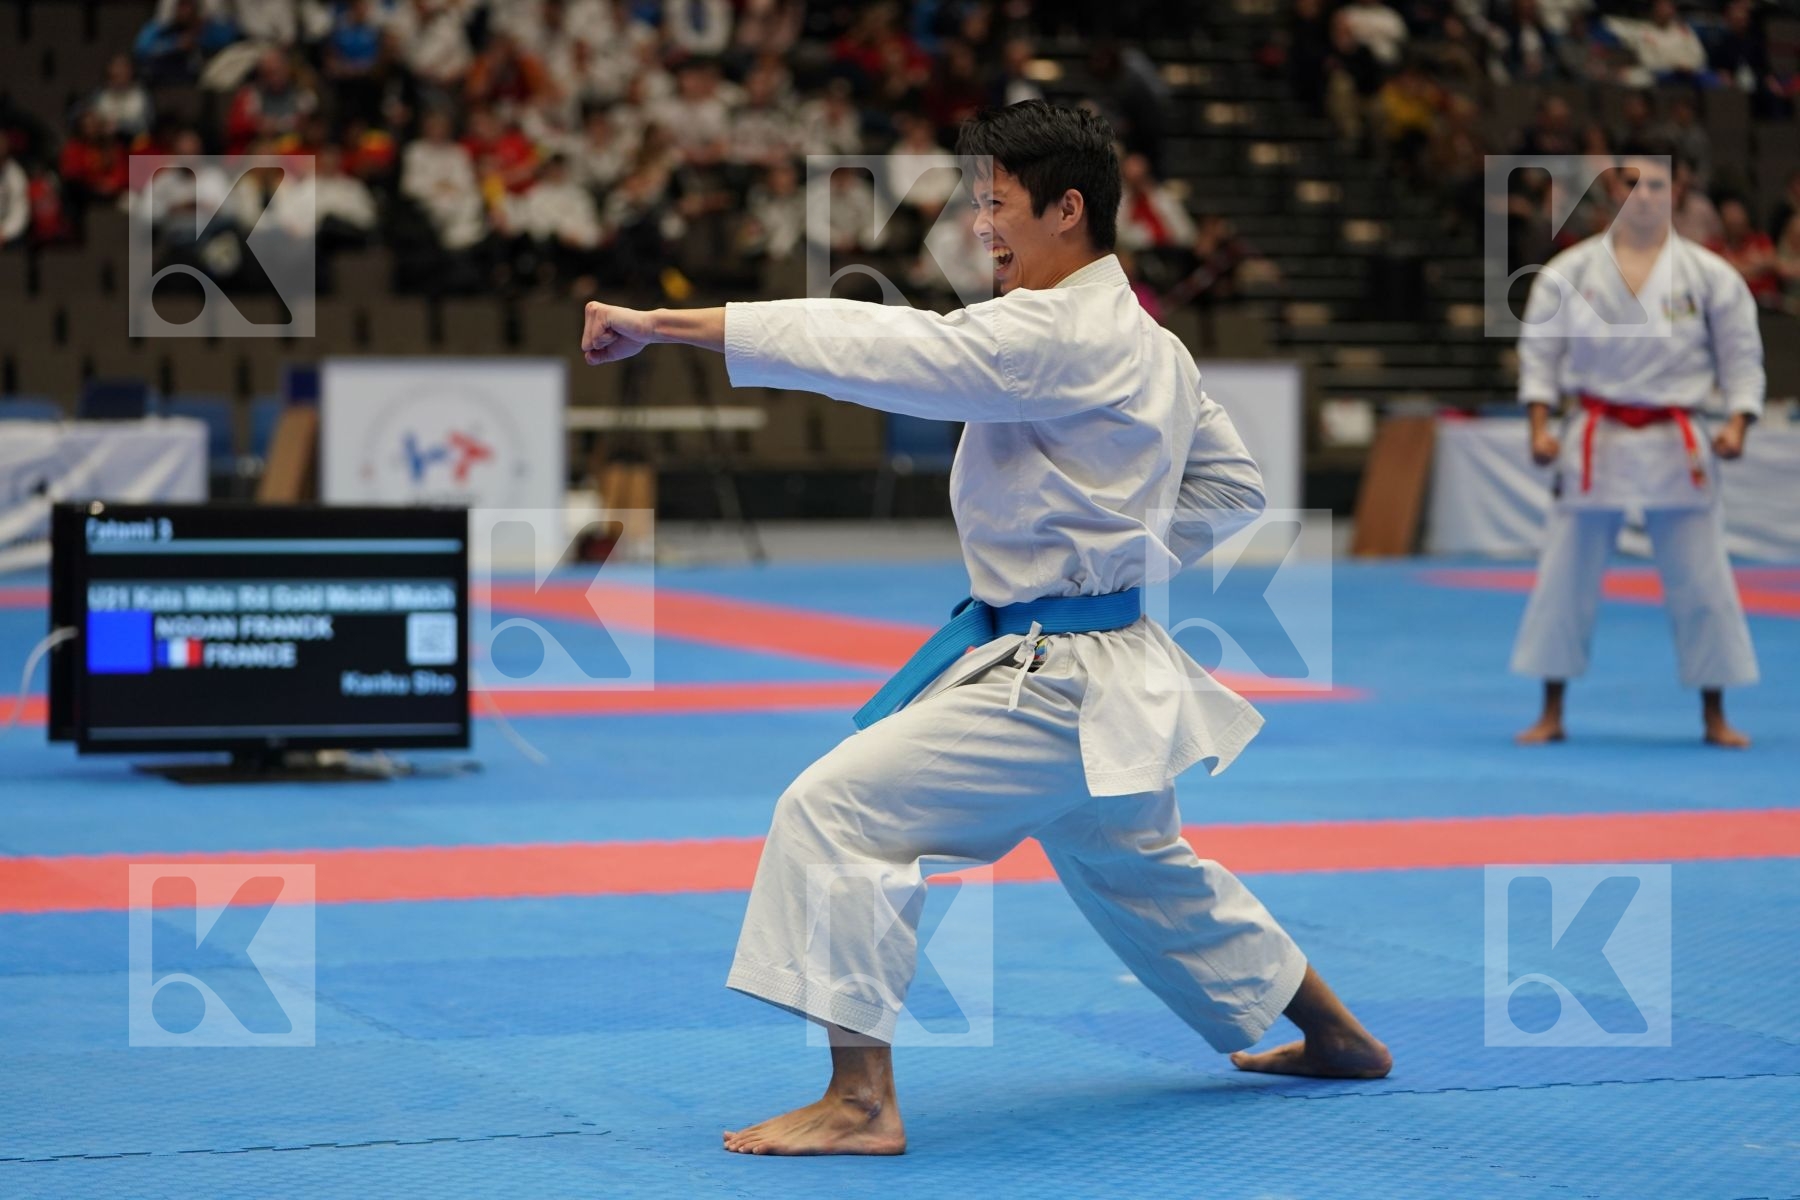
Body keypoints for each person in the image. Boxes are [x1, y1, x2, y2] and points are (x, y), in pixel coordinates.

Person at [578, 100, 1390, 1157]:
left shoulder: (1052, 331)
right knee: (1143, 867)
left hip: (1055, 680)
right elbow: (1233, 487)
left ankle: (862, 1100)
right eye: (977, 199)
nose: (981, 223)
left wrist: (669, 323)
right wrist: (1114, 560)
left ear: (1068, 208)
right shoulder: (1150, 339)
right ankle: (1337, 1035)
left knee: (832, 812)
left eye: (998, 203)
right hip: (1109, 667)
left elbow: (875, 342)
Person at [1512, 151, 1762, 748]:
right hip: (1596, 436)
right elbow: (1540, 359)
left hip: (1678, 439)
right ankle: (1551, 710)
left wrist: (1737, 423)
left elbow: (1742, 359)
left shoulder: (1710, 275)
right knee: (1563, 578)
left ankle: (1714, 713)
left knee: (1703, 582)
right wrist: (1539, 426)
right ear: (1609, 191)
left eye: (1657, 183)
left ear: (1676, 192)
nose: (1644, 194)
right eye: (1631, 182)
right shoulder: (1568, 271)